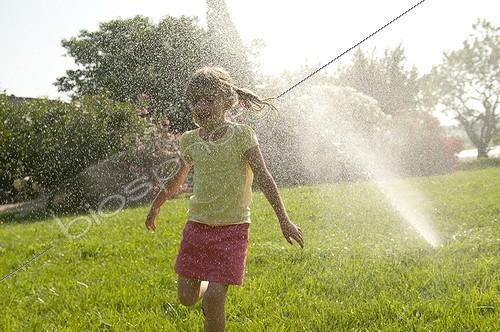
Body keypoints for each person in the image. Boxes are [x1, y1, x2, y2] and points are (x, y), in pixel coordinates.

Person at [145, 66, 304, 332]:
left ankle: (212, 297)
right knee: (185, 297)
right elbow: (176, 178)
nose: (201, 106)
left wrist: (284, 218)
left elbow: (263, 176)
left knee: (216, 297)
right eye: (195, 100)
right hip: (197, 226)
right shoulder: (190, 140)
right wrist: (156, 206)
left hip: (233, 228)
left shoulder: (242, 135)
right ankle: (206, 289)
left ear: (228, 102)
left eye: (209, 99)